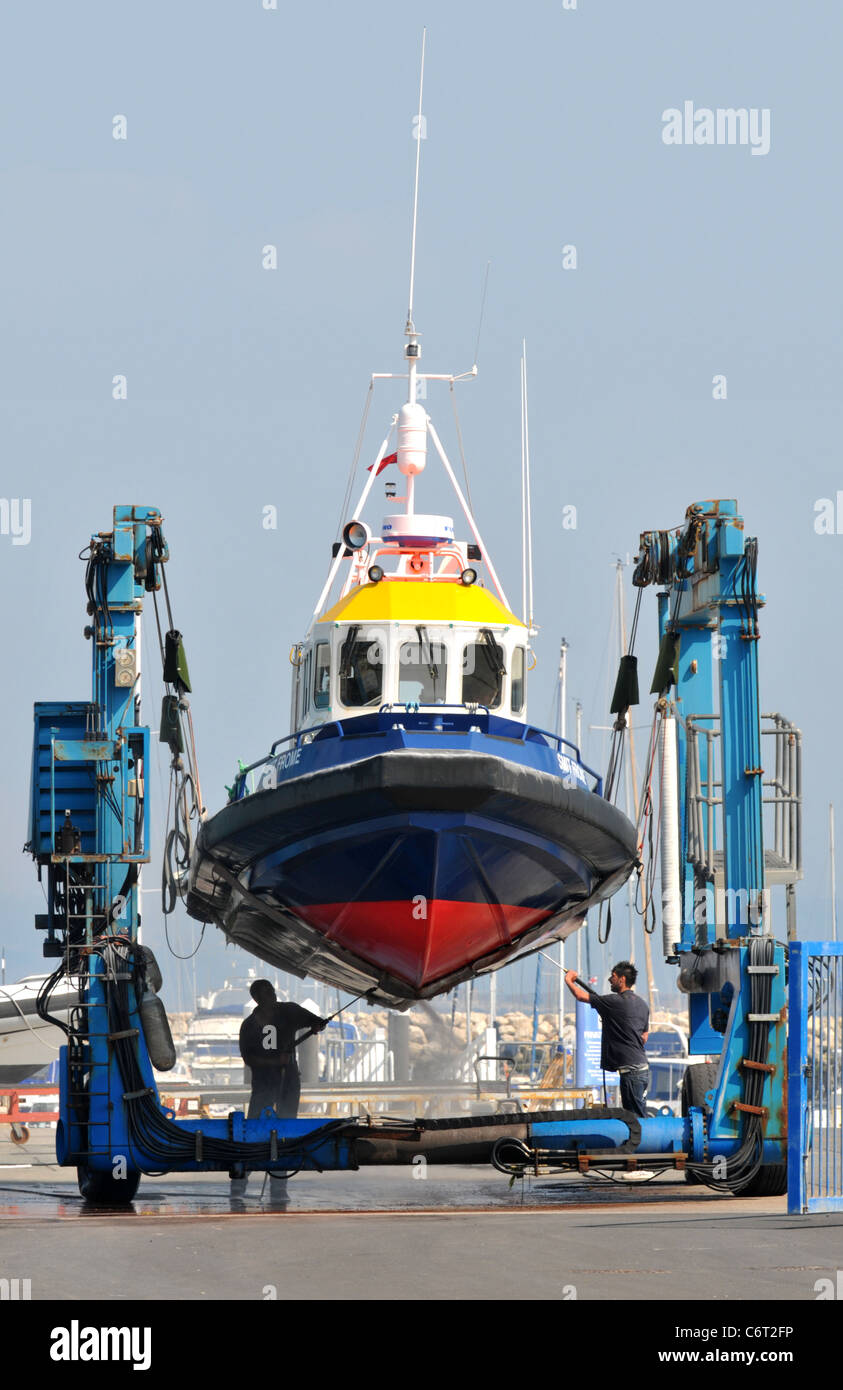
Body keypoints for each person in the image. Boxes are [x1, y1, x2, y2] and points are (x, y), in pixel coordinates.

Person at [565, 961, 650, 1117]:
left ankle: (642, 1141)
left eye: (613, 977)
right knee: (638, 1114)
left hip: (631, 1072)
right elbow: (644, 1036)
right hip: (641, 1068)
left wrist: (569, 980)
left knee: (634, 1118)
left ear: (622, 979)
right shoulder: (642, 1005)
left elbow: (580, 995)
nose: (610, 980)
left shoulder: (614, 1002)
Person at [239, 980, 327, 1121]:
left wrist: (318, 1024)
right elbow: (248, 1058)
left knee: (288, 1120)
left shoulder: (290, 1011)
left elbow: (316, 1021)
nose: (272, 995)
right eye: (266, 993)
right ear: (256, 999)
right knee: (256, 1120)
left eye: (272, 991)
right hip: (263, 1081)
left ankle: (284, 1142)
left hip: (288, 1079)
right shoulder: (249, 1025)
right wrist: (274, 1061)